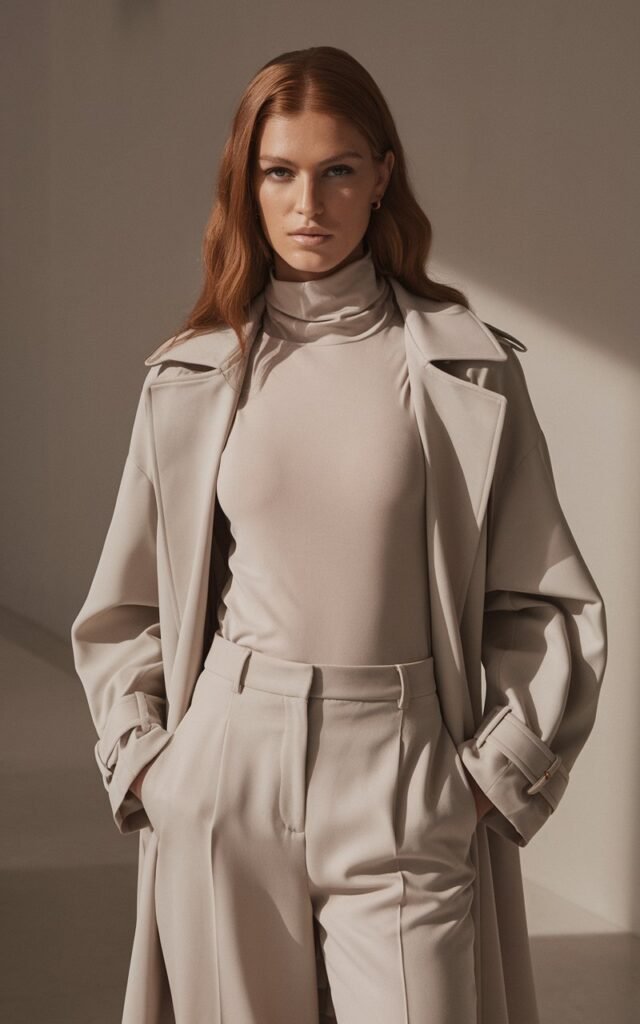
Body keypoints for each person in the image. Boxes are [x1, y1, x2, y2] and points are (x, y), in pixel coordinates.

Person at [70, 45, 608, 1024]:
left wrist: (484, 783)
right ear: (247, 182)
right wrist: (157, 763)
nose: (306, 202)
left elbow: (545, 602)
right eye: (278, 172)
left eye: (337, 170)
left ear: (381, 179)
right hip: (225, 769)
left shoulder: (463, 370)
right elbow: (126, 604)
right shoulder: (190, 377)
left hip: (401, 769)